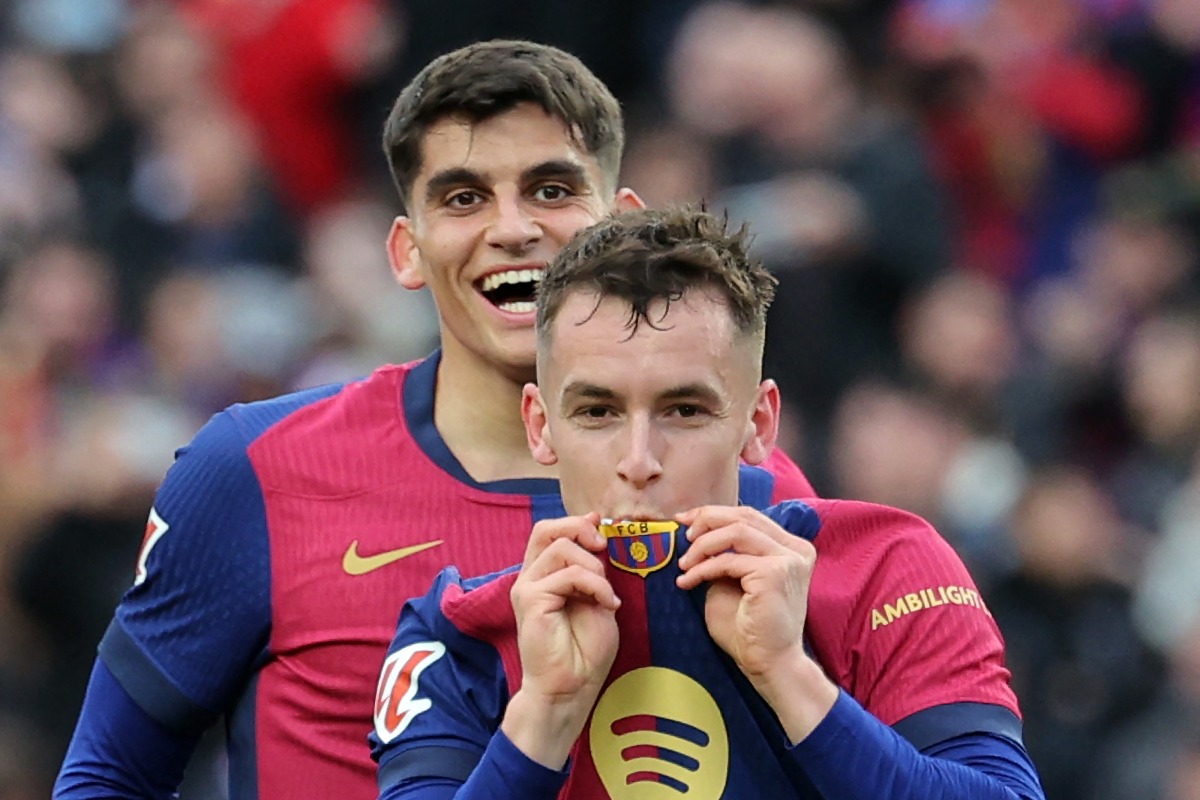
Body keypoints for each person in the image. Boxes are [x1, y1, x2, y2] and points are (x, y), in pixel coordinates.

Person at [51, 42, 816, 800]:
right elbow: (107, 776)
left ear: (620, 224)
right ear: (407, 250)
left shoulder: (751, 490)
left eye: (551, 190)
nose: (512, 228)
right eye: (463, 197)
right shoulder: (255, 469)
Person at [370, 207, 1046, 799]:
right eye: (598, 411)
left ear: (759, 422)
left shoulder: (884, 568)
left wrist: (789, 677)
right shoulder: (454, 633)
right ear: (540, 426)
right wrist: (545, 712)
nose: (639, 459)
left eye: (685, 410)